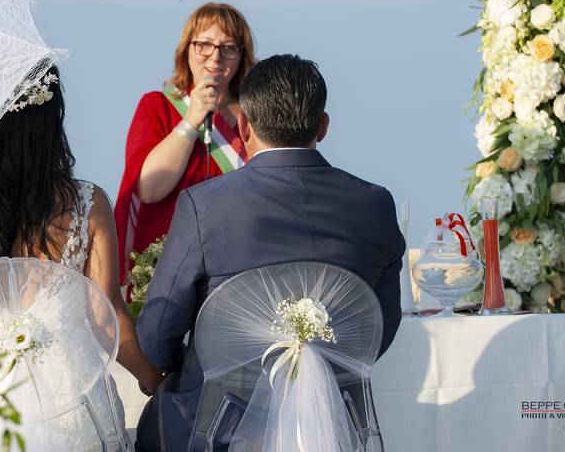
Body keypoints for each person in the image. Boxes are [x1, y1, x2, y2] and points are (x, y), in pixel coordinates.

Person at [134, 54, 406, 452]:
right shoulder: (375, 205)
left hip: (215, 428)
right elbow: (374, 332)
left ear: (244, 125)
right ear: (324, 126)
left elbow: (157, 338)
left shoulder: (204, 206)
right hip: (330, 425)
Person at [0, 67, 162, 450]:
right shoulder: (86, 204)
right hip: (74, 405)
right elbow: (107, 316)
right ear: (50, 126)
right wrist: (153, 379)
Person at [114, 3, 256, 283]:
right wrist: (192, 120)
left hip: (235, 264)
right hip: (166, 265)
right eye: (204, 44)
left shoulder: (253, 118)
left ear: (241, 56)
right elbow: (148, 189)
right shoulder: (157, 106)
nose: (215, 58)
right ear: (187, 50)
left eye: (228, 47)